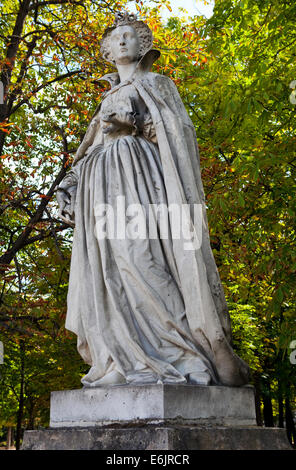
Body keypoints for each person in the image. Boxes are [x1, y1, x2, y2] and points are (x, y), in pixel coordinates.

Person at [56, 11, 250, 387]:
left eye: (130, 36)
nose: (123, 41)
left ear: (143, 45)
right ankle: (121, 362)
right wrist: (71, 182)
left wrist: (135, 126)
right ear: (108, 50)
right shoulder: (105, 100)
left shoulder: (158, 84)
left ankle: (184, 354)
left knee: (143, 259)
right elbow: (89, 148)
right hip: (100, 190)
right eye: (117, 38)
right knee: (108, 273)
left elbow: (179, 137)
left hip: (142, 184)